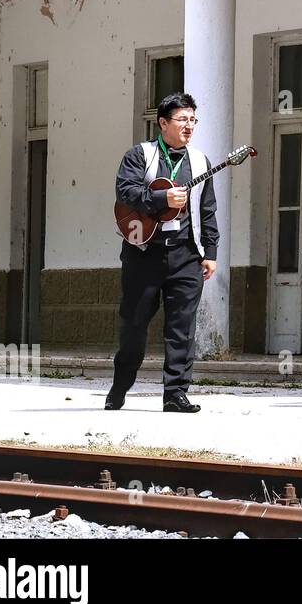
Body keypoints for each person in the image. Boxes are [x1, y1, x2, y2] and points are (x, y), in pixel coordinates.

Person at [107, 93, 219, 413]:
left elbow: (207, 210)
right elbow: (125, 192)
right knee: (134, 325)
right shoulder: (139, 155)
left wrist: (209, 251)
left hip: (185, 254)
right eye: (183, 119)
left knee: (182, 328)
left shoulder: (199, 161)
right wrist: (162, 200)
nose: (189, 126)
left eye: (193, 120)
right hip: (144, 253)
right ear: (163, 123)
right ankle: (121, 384)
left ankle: (175, 393)